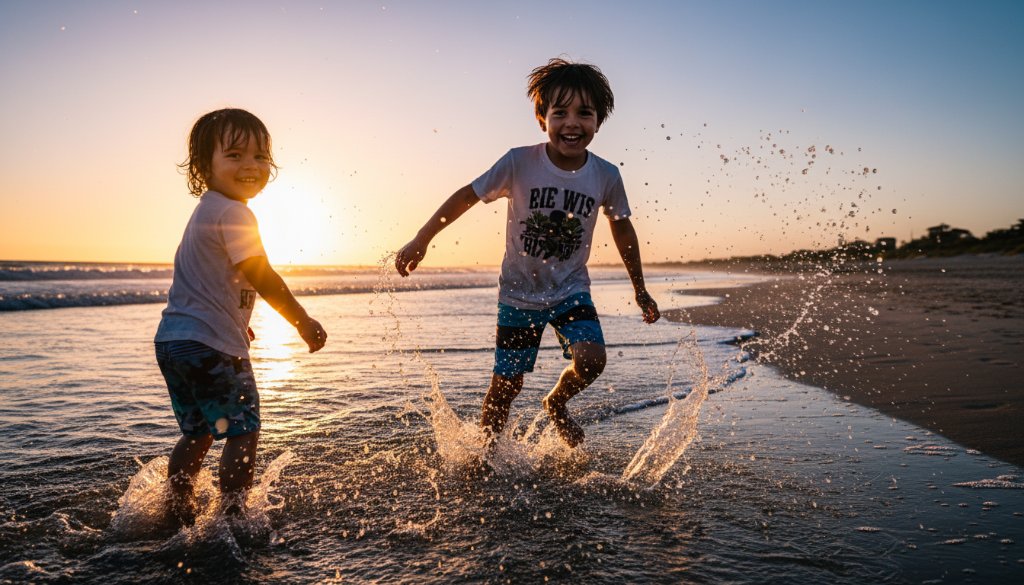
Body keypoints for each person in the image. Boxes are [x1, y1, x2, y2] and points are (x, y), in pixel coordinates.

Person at [395, 58, 660, 449]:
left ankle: (557, 401)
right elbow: (469, 195)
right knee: (506, 386)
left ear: (598, 121)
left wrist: (639, 289)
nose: (572, 123)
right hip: (519, 294)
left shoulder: (606, 175)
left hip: (571, 289)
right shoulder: (520, 162)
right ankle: (484, 456)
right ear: (542, 119)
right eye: (560, 113)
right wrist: (422, 237)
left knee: (592, 359)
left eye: (584, 113)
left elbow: (621, 226)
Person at [154, 108, 327, 521]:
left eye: (259, 156)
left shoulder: (205, 211)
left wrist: (235, 323)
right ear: (203, 166)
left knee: (197, 433)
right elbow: (260, 274)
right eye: (234, 155)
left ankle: (176, 509)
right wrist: (302, 321)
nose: (250, 166)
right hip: (210, 346)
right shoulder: (235, 213)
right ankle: (232, 516)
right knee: (242, 431)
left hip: (174, 342)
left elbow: (204, 282)